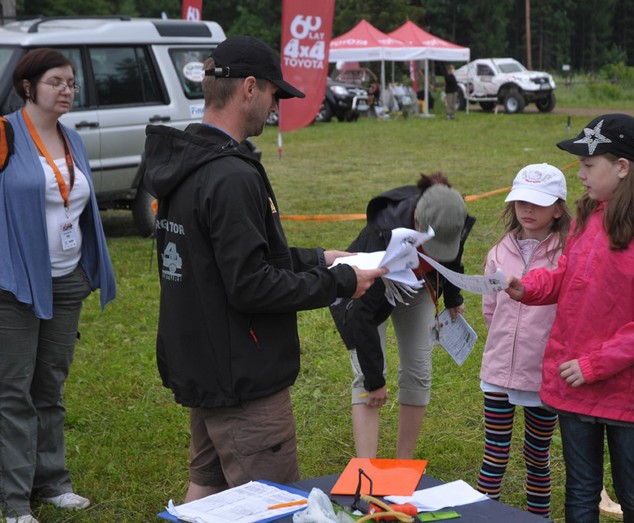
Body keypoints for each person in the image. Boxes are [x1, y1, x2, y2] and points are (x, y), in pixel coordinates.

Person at [142, 36, 386, 502]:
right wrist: (341, 282)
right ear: (249, 87)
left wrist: (319, 259)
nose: (275, 105)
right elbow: (250, 285)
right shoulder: (230, 175)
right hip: (244, 383)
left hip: (206, 363)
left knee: (208, 490)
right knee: (273, 504)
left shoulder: (188, 159)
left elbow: (223, 260)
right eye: (274, 93)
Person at [505, 114, 634, 522]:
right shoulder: (589, 216)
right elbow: (569, 274)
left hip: (626, 390)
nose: (580, 175)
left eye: (588, 165)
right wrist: (530, 287)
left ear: (622, 167)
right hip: (576, 384)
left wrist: (594, 365)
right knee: (581, 489)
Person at [0, 48, 116, 522]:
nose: (66, 89)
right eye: (56, 81)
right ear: (27, 86)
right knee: (13, 391)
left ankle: (51, 482)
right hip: (16, 284)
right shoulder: (5, 132)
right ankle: (12, 500)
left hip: (68, 279)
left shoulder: (72, 140)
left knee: (50, 384)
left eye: (71, 82)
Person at [331, 173, 474, 459]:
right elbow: (362, 316)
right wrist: (375, 383)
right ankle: (365, 469)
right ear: (417, 223)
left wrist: (453, 297)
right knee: (367, 376)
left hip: (417, 288)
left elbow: (452, 260)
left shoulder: (451, 213)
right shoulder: (380, 236)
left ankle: (403, 466)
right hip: (372, 288)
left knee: (419, 370)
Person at [476, 163, 571, 517]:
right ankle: (485, 514)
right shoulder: (499, 251)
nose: (528, 210)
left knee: (537, 455)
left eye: (538, 203)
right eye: (521, 202)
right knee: (494, 452)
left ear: (559, 208)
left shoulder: (567, 253)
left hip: (542, 375)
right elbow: (490, 308)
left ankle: (538, 517)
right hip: (499, 371)